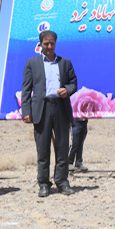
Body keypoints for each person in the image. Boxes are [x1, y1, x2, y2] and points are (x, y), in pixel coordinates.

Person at [21, 31, 77, 197]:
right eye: (46, 43)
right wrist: (26, 111)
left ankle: (62, 182)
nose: (49, 46)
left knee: (62, 148)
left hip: (61, 108)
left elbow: (73, 83)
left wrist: (67, 89)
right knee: (43, 150)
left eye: (52, 43)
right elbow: (26, 89)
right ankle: (44, 184)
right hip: (42, 109)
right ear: (40, 44)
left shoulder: (65, 63)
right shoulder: (32, 63)